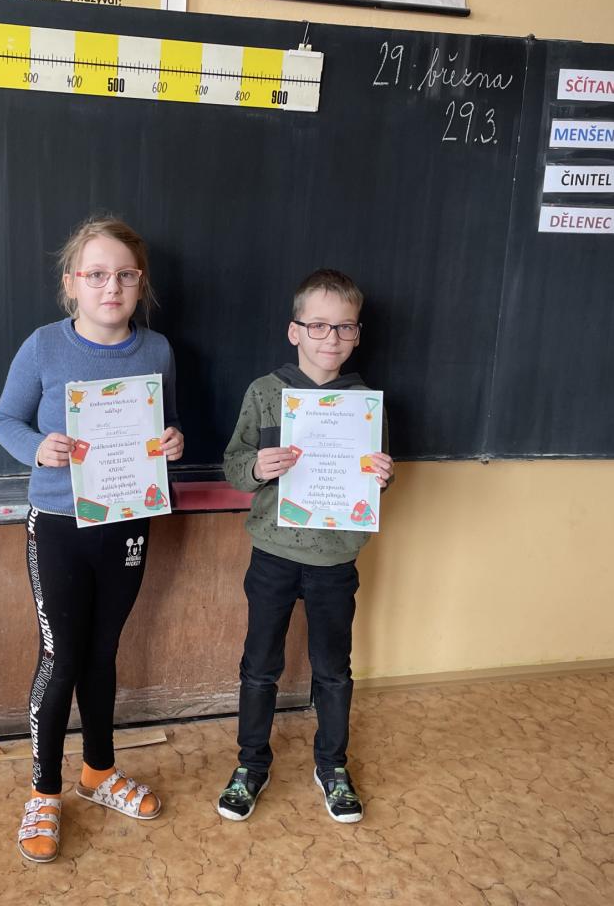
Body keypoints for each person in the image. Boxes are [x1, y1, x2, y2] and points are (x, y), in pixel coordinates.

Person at [0, 216, 184, 863]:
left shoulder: (157, 351)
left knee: (103, 653)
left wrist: (174, 442)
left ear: (140, 283)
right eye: (97, 274)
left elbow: (164, 425)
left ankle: (99, 772)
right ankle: (44, 791)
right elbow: (5, 420)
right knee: (62, 657)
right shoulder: (44, 346)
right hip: (58, 525)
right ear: (72, 283)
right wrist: (36, 448)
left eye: (125, 275)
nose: (112, 287)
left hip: (127, 521)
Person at [216, 269, 391, 824]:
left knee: (333, 670)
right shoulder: (265, 392)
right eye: (318, 325)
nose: (330, 338)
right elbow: (234, 467)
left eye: (344, 327)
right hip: (272, 552)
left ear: (357, 335)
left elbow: (375, 481)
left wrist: (382, 477)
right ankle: (251, 764)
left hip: (335, 560)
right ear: (295, 331)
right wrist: (257, 468)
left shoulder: (365, 403)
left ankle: (332, 765)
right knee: (259, 666)